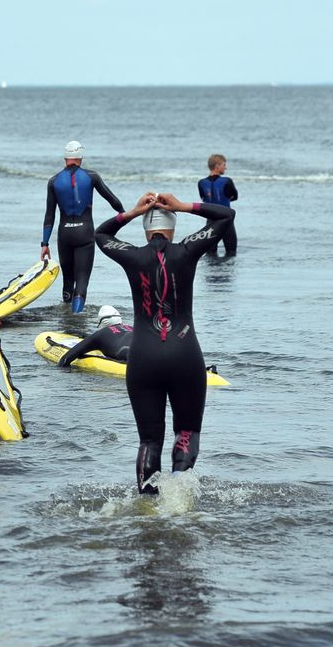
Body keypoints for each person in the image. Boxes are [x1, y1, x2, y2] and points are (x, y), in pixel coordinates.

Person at [95, 192, 235, 494]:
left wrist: (132, 212)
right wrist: (184, 206)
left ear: (145, 228)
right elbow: (226, 216)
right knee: (185, 432)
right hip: (184, 355)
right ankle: (179, 500)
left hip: (143, 358)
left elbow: (101, 233)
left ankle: (147, 506)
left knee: (149, 440)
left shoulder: (132, 255)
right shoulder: (187, 251)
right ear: (173, 224)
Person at [41, 140, 124, 313]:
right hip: (84, 234)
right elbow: (113, 201)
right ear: (81, 157)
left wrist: (44, 244)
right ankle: (76, 318)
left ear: (65, 158)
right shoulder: (91, 177)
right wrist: (126, 215)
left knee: (68, 279)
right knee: (82, 280)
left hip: (64, 235)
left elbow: (50, 215)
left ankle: (65, 318)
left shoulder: (53, 181)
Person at [57, 305, 134, 366]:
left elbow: (66, 359)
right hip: (143, 349)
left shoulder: (100, 334)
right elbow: (118, 336)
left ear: (102, 322)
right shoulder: (132, 328)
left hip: (131, 355)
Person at [197, 153, 239, 256]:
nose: (226, 167)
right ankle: (227, 272)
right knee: (231, 252)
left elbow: (203, 198)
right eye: (224, 165)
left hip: (210, 220)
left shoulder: (201, 183)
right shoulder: (227, 181)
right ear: (217, 166)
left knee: (210, 253)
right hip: (225, 219)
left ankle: (211, 272)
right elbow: (235, 196)